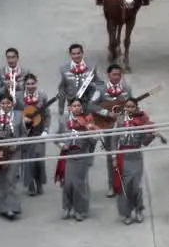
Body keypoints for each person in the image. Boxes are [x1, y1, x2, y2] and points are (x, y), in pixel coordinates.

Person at [112, 97, 157, 224]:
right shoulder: (119, 121)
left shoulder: (141, 122)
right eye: (128, 106)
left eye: (132, 107)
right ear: (124, 108)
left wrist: (151, 135)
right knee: (125, 187)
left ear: (136, 108)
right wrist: (113, 157)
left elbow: (144, 143)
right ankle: (127, 213)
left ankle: (138, 209)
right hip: (123, 156)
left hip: (136, 156)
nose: (130, 109)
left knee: (136, 186)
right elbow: (114, 140)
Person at [92, 63, 133, 197]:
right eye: (114, 74)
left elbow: (133, 105)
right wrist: (106, 113)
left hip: (124, 127)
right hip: (108, 127)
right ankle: (111, 186)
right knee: (111, 157)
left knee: (126, 156)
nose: (117, 77)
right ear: (108, 75)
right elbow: (90, 105)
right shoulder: (101, 89)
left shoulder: (126, 88)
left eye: (119, 75)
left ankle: (125, 184)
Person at [54, 98, 96, 222]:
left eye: (79, 106)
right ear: (69, 108)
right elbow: (56, 138)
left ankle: (80, 209)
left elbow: (94, 141)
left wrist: (90, 132)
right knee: (67, 183)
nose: (77, 108)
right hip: (68, 154)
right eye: (74, 106)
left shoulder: (88, 120)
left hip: (82, 155)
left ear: (82, 108)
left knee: (79, 184)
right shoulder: (63, 120)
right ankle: (67, 207)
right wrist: (62, 145)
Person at [0, 93, 25, 220]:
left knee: (11, 178)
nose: (5, 105)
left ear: (12, 104)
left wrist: (17, 143)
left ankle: (13, 207)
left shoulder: (19, 115)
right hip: (0, 151)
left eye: (8, 103)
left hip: (14, 151)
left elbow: (24, 134)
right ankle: (2, 207)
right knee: (1, 179)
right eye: (3, 103)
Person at [16, 73, 50, 196]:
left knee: (39, 159)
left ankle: (39, 183)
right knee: (27, 160)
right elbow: (14, 113)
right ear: (24, 85)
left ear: (36, 83)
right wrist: (22, 121)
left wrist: (46, 130)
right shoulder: (18, 97)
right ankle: (30, 185)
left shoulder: (42, 96)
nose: (30, 86)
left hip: (39, 132)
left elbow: (47, 115)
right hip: (25, 133)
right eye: (28, 84)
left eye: (32, 83)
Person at [57, 42, 102, 111]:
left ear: (82, 53)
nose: (76, 56)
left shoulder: (91, 67)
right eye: (74, 54)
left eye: (78, 53)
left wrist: (96, 96)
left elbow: (100, 84)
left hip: (89, 104)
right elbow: (62, 90)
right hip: (73, 105)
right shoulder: (64, 69)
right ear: (70, 55)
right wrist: (61, 109)